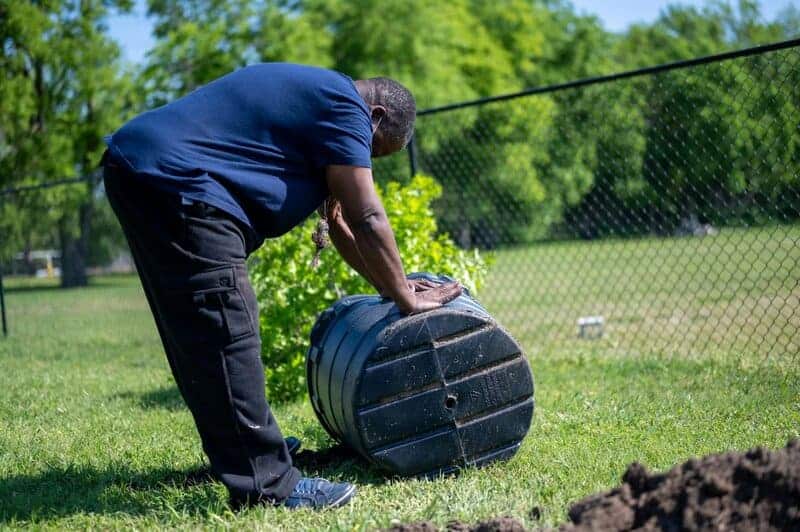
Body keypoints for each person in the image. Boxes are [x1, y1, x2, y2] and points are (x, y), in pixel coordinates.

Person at [101, 63, 462, 510]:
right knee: (225, 327)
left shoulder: (318, 106)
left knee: (201, 332)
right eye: (373, 150)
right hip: (183, 187)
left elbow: (342, 221)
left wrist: (392, 286)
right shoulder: (346, 106)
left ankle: (240, 453)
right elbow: (368, 217)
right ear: (376, 115)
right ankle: (268, 485)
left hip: (144, 171)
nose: (363, 161)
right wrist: (408, 300)